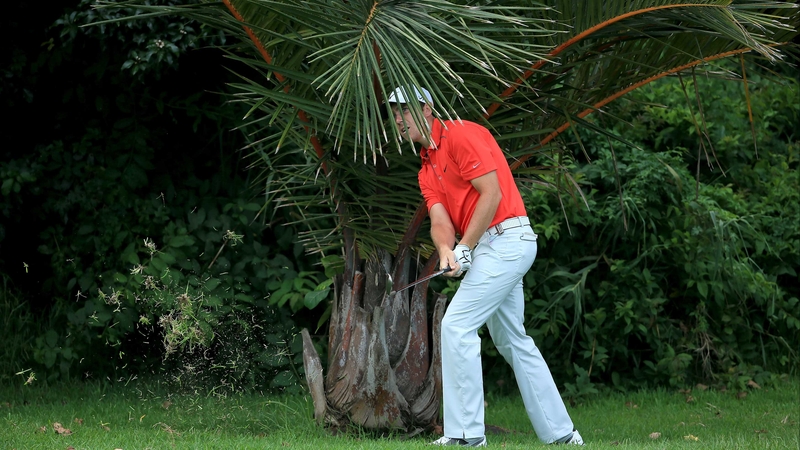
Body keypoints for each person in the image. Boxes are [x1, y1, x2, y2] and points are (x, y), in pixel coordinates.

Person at [387, 86, 584, 447]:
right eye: (394, 111)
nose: (398, 118)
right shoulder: (427, 167)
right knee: (512, 340)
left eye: (405, 109)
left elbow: (491, 194)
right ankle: (562, 435)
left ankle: (466, 435)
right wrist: (446, 250)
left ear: (427, 108)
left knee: (456, 326)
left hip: (508, 240)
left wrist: (465, 247)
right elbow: (440, 220)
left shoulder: (461, 133)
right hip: (487, 248)